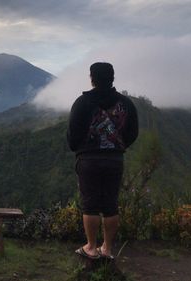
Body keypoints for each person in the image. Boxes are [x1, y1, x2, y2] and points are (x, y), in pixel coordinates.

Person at [67, 62, 138, 259]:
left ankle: (90, 247)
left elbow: (73, 135)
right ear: (112, 77)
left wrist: (80, 148)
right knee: (110, 205)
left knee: (89, 205)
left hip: (88, 160)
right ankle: (107, 249)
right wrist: (118, 147)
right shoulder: (126, 103)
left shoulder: (82, 103)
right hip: (114, 160)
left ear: (92, 78)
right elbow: (133, 132)